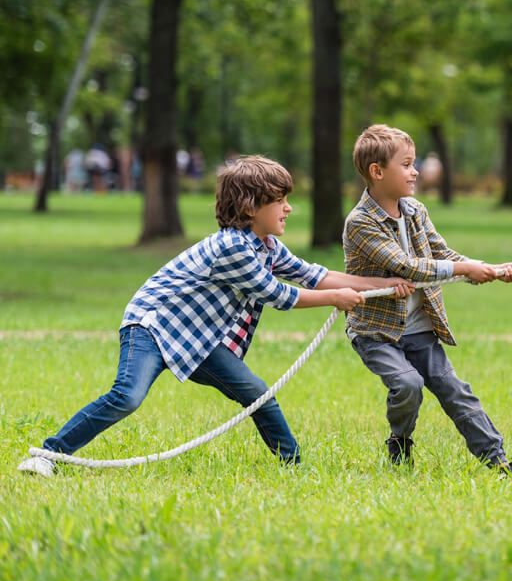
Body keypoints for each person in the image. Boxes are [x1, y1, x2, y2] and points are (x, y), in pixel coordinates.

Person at [17, 156, 412, 478]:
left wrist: (382, 282)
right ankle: (49, 454)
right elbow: (278, 294)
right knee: (127, 397)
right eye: (280, 200)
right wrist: (335, 299)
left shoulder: (267, 245)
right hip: (153, 326)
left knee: (258, 396)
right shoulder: (233, 249)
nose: (289, 208)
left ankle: (295, 469)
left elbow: (317, 275)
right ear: (249, 206)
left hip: (198, 339)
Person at [343, 125, 512, 474]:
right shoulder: (360, 222)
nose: (416, 171)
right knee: (408, 383)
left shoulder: (415, 211)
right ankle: (400, 440)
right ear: (377, 171)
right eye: (408, 164)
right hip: (377, 332)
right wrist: (465, 267)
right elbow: (406, 265)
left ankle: (497, 460)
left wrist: (490, 269)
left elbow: (442, 254)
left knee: (455, 391)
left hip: (421, 329)